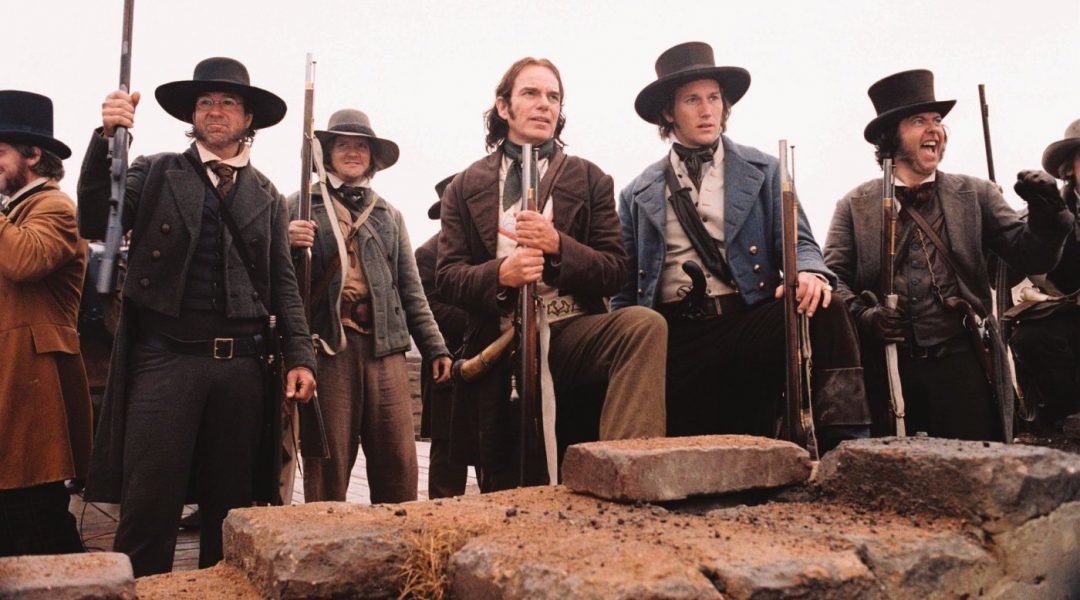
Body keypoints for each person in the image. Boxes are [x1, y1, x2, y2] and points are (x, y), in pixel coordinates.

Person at [77, 56, 317, 576]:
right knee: (149, 505)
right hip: (164, 363)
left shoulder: (268, 195)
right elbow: (96, 218)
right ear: (192, 114)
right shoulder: (153, 171)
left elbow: (284, 288)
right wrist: (107, 139)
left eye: (228, 102)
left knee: (230, 511)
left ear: (248, 118)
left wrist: (301, 356)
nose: (215, 110)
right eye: (205, 101)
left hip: (242, 372)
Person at [612, 41, 870, 452]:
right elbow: (624, 289)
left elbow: (801, 241)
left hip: (745, 319)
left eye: (714, 98)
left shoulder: (765, 169)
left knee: (826, 306)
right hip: (676, 337)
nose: (707, 110)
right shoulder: (635, 192)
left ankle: (847, 447)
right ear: (668, 112)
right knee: (695, 458)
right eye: (692, 100)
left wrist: (809, 272)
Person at [437, 57, 667, 492]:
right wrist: (501, 274)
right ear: (503, 106)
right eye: (531, 93)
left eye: (553, 96)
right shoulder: (464, 186)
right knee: (509, 486)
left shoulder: (591, 178)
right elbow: (447, 277)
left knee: (643, 326)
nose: (544, 104)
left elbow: (615, 269)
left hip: (570, 329)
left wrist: (559, 246)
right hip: (501, 341)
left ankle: (627, 476)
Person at [824, 69, 1073, 442]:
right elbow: (832, 278)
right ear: (889, 136)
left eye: (937, 120)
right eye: (919, 121)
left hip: (962, 363)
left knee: (977, 464)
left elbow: (1032, 257)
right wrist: (863, 315)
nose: (935, 130)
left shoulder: (975, 194)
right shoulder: (853, 205)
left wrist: (1048, 214)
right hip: (886, 366)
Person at [288, 109, 450, 503]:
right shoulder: (298, 206)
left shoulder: (388, 214)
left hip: (385, 348)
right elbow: (279, 282)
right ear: (327, 153)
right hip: (329, 348)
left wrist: (435, 348)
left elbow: (411, 290)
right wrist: (287, 241)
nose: (352, 152)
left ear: (372, 156)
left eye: (361, 146)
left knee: (398, 464)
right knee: (328, 466)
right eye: (343, 144)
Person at [0, 90, 92, 557]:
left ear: (33, 154)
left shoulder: (55, 207)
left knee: (36, 517)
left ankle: (88, 587)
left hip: (33, 387)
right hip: (12, 381)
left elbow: (25, 261)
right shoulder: (12, 212)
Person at [1007, 119, 1080, 436]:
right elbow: (1018, 267)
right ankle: (1067, 417)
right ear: (1069, 170)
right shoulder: (1050, 213)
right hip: (1070, 316)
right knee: (1031, 337)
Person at [415, 175, 470, 498]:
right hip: (447, 366)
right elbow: (429, 310)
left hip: (492, 366)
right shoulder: (427, 255)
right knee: (447, 460)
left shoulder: (491, 250)